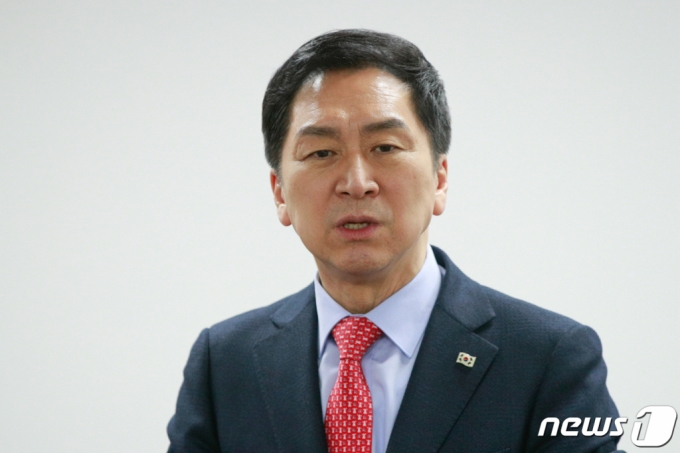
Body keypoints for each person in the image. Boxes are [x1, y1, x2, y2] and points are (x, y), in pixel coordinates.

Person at [167, 29, 623, 453]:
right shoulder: (223, 364)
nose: (356, 183)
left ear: (440, 178)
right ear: (280, 193)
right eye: (322, 152)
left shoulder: (548, 358)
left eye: (384, 147)